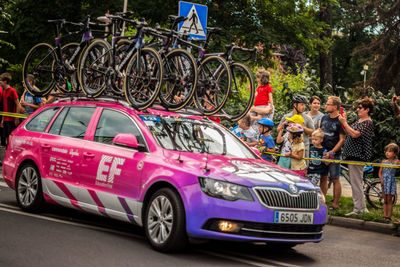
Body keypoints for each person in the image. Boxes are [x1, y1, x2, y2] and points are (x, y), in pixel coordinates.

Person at [340, 97, 374, 216]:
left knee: (356, 183)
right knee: (355, 183)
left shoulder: (367, 122)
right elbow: (348, 132)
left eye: (360, 108)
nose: (358, 110)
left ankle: (359, 209)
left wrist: (345, 123)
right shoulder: (359, 121)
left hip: (358, 156)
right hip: (351, 155)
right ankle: (359, 208)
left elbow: (355, 134)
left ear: (367, 110)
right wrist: (345, 122)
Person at [319, 96, 346, 210]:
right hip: (323, 152)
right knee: (323, 177)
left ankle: (335, 204)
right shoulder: (324, 118)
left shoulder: (340, 120)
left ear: (335, 107)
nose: (325, 106)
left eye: (328, 104)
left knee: (335, 178)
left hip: (335, 153)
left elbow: (342, 139)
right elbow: (319, 133)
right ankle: (322, 201)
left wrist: (332, 152)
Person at [279, 94, 314, 159]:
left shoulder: (307, 118)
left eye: (305, 105)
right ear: (295, 105)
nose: (304, 107)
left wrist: (301, 127)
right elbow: (278, 129)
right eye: (302, 105)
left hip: (303, 148)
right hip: (288, 149)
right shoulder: (287, 116)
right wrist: (283, 125)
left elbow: (313, 132)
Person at [379, 143, 400, 222]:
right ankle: (384, 215)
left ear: (394, 154)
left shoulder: (396, 162)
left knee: (390, 200)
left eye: (390, 151)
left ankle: (389, 217)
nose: (387, 153)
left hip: (391, 182)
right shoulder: (383, 162)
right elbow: (380, 172)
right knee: (385, 200)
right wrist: (381, 180)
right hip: (384, 182)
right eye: (386, 151)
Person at [0, 73, 21, 145]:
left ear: (5, 81)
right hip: (5, 120)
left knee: (11, 139)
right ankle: (7, 153)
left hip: (12, 120)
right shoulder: (3, 92)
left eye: (1, 81)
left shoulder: (12, 90)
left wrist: (17, 118)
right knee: (6, 139)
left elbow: (18, 104)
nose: (0, 82)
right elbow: (3, 106)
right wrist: (2, 119)